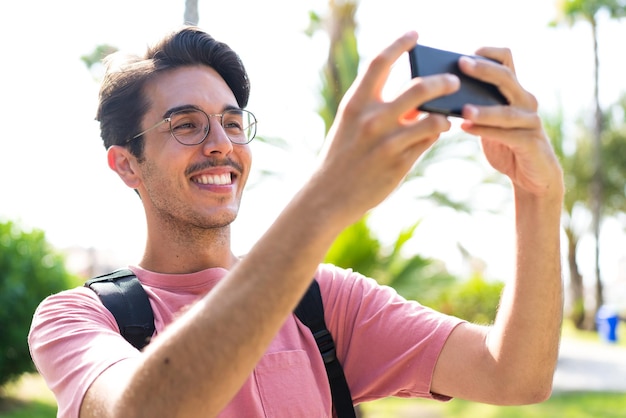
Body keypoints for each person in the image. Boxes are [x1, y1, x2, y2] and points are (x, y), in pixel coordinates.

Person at [28, 26, 564, 418]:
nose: (220, 144)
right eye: (185, 124)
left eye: (233, 123)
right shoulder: (76, 319)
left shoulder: (327, 300)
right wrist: (327, 196)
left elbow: (514, 374)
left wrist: (539, 193)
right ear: (127, 163)